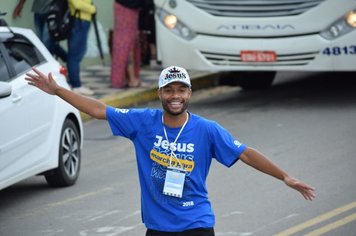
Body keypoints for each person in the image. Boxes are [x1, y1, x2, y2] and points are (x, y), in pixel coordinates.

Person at [25, 65, 316, 236]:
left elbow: (246, 153)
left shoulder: (206, 129)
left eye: (181, 90)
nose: (175, 96)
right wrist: (59, 91)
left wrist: (285, 177)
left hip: (197, 222)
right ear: (160, 94)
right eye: (169, 90)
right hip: (158, 226)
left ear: (189, 93)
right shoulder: (142, 122)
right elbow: (101, 110)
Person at [111, 0, 147, 88]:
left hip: (125, 6)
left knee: (126, 43)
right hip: (128, 8)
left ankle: (124, 78)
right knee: (127, 44)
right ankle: (131, 79)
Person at [66, 0, 96, 96]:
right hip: (79, 20)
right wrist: (93, 9)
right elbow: (77, 4)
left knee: (77, 53)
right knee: (75, 55)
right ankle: (76, 85)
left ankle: (75, 84)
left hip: (82, 20)